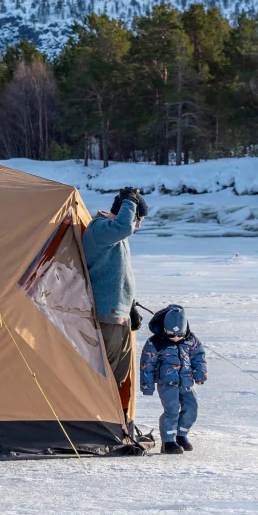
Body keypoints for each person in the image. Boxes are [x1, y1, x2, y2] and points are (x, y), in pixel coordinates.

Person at [82, 186, 148, 414]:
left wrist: (131, 306)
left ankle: (115, 422)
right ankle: (97, 422)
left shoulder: (114, 236)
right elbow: (125, 226)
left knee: (119, 376)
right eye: (139, 218)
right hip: (105, 315)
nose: (138, 224)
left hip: (118, 315)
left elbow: (120, 274)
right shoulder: (99, 230)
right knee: (105, 375)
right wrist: (130, 200)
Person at [140, 304, 207, 454]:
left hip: (186, 382)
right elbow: (147, 364)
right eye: (171, 334)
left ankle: (180, 435)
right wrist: (147, 386)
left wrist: (200, 375)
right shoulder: (155, 343)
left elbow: (198, 357)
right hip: (167, 384)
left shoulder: (191, 339)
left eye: (179, 335)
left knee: (191, 407)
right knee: (171, 411)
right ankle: (168, 441)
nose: (176, 338)